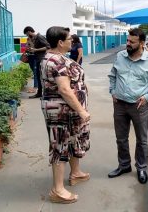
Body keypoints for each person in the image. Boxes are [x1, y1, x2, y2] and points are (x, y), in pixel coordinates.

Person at [108, 28, 148, 184]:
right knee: (121, 138)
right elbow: (112, 75)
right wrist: (112, 90)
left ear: (141, 43)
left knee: (142, 140)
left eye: (132, 42)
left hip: (139, 106)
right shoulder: (120, 56)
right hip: (119, 104)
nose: (128, 44)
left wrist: (147, 97)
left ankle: (141, 167)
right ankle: (124, 165)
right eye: (127, 41)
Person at [40, 26, 90, 204]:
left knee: (73, 139)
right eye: (70, 39)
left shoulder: (59, 57)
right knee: (59, 145)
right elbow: (64, 90)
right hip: (61, 111)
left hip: (68, 111)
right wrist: (81, 110)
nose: (73, 41)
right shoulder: (56, 62)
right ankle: (58, 190)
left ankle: (75, 172)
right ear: (60, 42)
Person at [23, 26, 50, 99]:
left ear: (29, 32)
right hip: (37, 58)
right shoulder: (34, 38)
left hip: (41, 59)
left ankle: (44, 94)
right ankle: (39, 93)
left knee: (42, 77)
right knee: (38, 76)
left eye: (27, 34)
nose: (27, 35)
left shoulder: (40, 37)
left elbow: (48, 46)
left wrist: (36, 50)